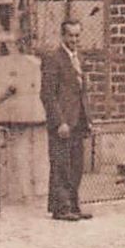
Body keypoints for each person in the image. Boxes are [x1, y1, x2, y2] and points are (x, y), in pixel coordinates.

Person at [40, 18, 92, 221]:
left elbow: (81, 92)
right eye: (70, 35)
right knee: (61, 165)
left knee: (76, 166)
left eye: (78, 35)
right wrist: (59, 121)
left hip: (78, 119)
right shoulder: (54, 59)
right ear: (63, 36)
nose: (74, 39)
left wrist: (88, 118)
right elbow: (48, 94)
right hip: (62, 123)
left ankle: (73, 205)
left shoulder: (79, 58)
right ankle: (60, 208)